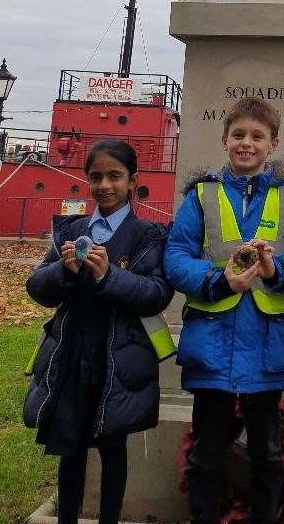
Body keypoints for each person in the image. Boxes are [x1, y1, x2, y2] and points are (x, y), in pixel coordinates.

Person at [164, 98, 284, 524]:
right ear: (225, 140)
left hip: (266, 343)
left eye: (257, 137)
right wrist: (217, 281)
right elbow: (176, 255)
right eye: (239, 135)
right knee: (207, 451)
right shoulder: (201, 196)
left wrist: (276, 269)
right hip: (211, 340)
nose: (247, 144)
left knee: (267, 452)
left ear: (273, 144)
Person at [24, 139, 174, 524]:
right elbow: (37, 287)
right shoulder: (71, 231)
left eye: (114, 176)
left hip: (119, 359)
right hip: (73, 354)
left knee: (112, 446)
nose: (105, 185)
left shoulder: (147, 235)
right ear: (86, 181)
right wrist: (63, 271)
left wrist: (110, 275)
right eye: (96, 177)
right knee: (69, 445)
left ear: (132, 181)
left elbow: (156, 294)